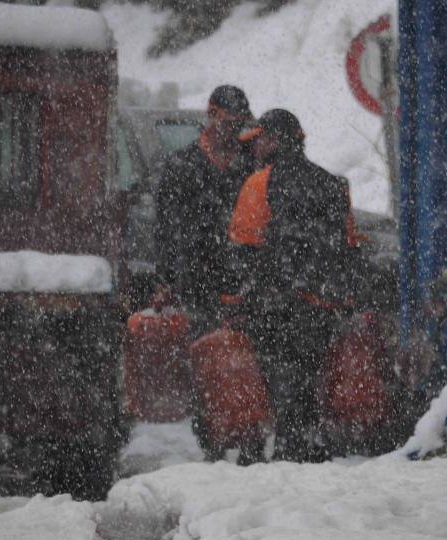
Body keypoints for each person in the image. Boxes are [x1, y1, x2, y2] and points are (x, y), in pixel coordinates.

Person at [227, 109, 359, 462]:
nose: (253, 148)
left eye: (258, 140)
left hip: (276, 308)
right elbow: (349, 247)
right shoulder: (334, 184)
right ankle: (307, 450)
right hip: (321, 308)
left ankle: (279, 458)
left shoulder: (259, 183)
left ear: (274, 140)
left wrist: (241, 294)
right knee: (308, 383)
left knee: (275, 389)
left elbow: (243, 247)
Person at [154, 84, 255, 333]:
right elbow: (166, 227)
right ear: (212, 115)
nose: (234, 130)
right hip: (194, 278)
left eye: (239, 124)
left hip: (240, 281)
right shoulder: (181, 164)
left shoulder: (251, 164)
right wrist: (167, 279)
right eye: (228, 122)